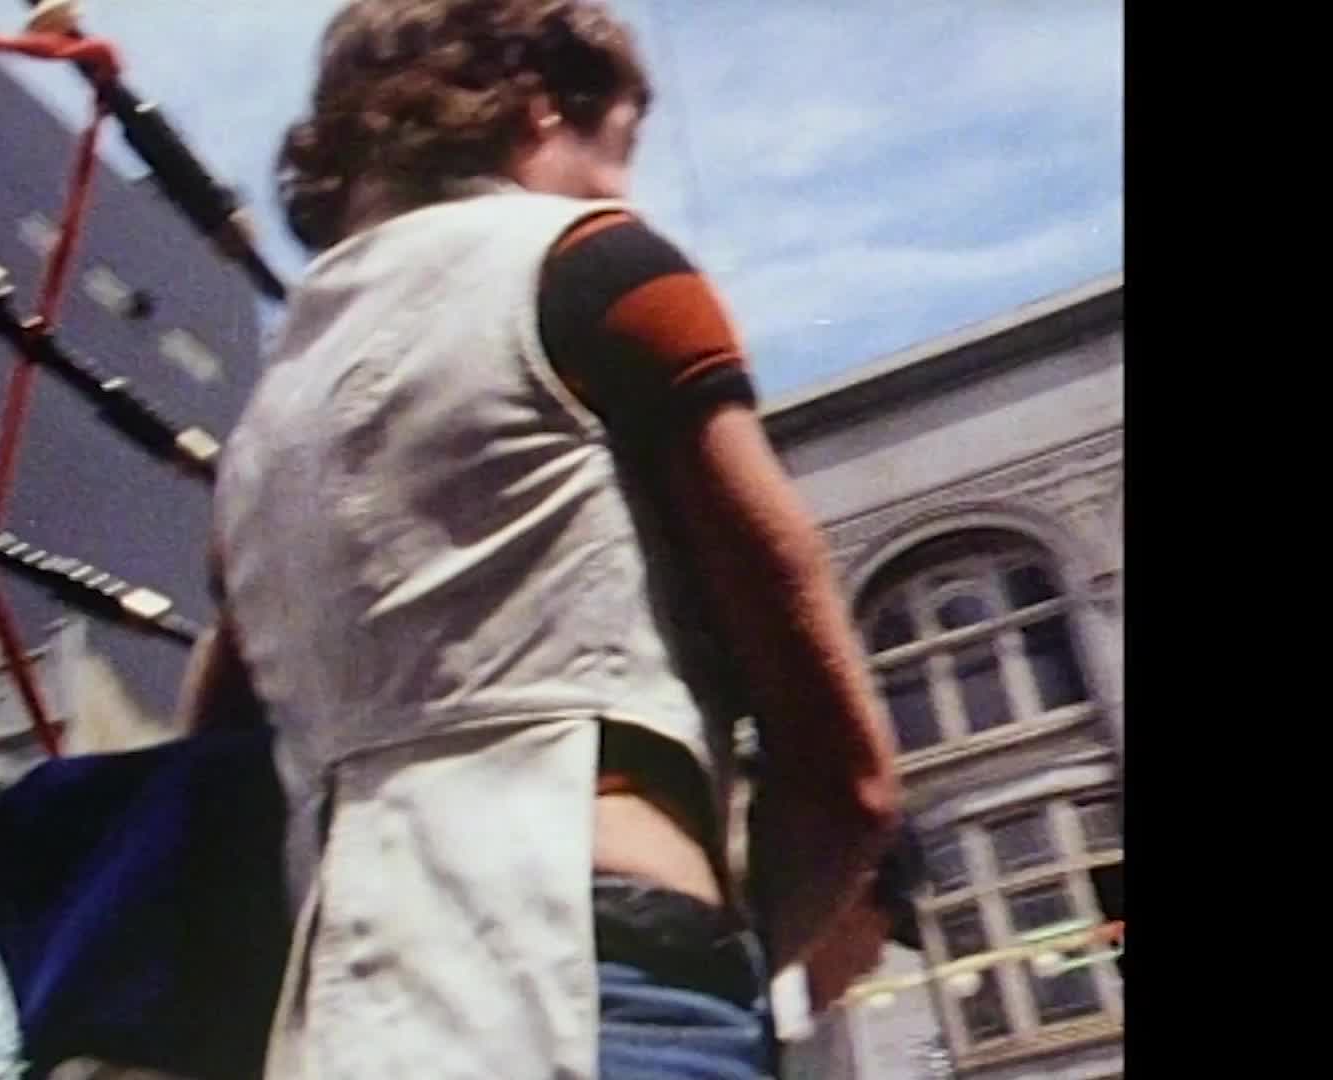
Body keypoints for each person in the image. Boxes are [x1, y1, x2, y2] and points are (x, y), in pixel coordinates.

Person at [178, 2, 903, 1076]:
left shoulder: (259, 431)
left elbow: (214, 773)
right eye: (620, 152)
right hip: (606, 972)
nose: (625, 193)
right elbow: (847, 769)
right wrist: (741, 955)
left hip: (342, 1019)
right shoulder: (600, 270)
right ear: (537, 104)